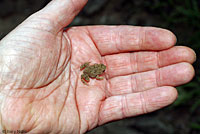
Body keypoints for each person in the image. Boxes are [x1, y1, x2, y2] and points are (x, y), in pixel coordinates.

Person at [0, 0, 196, 134]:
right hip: (86, 72)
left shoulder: (96, 69)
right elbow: (92, 73)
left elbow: (95, 70)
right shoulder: (94, 72)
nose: (102, 71)